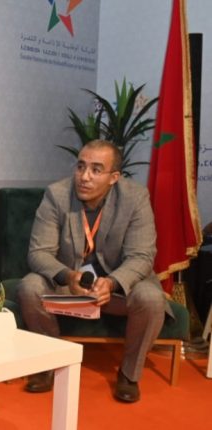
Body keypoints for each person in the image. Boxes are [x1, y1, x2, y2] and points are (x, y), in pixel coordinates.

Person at [17, 139, 169, 403]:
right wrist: (68, 276)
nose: (84, 177)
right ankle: (49, 362)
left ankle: (129, 374)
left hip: (116, 292)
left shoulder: (135, 198)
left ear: (114, 177)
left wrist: (112, 283)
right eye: (81, 166)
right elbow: (39, 253)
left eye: (96, 170)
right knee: (30, 286)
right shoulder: (57, 195)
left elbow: (141, 256)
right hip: (71, 288)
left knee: (151, 297)